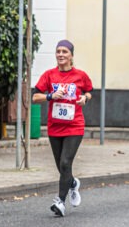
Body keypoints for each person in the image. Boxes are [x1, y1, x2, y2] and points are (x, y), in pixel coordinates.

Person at [32, 39, 93, 217]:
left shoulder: (80, 75)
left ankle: (60, 202)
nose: (61, 54)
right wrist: (50, 96)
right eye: (58, 51)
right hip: (55, 127)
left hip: (75, 125)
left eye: (64, 51)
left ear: (71, 55)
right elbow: (35, 97)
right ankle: (72, 183)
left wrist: (85, 98)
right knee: (61, 167)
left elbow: (89, 91)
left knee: (66, 163)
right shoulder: (49, 75)